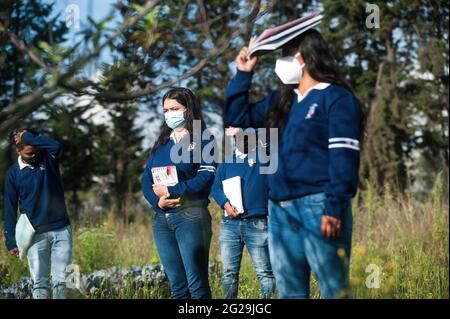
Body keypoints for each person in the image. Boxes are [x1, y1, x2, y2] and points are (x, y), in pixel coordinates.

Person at [225, 29, 364, 299]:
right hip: (279, 210)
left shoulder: (336, 98)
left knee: (334, 291)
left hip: (319, 206)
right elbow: (237, 118)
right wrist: (243, 74)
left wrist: (334, 206)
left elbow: (343, 157)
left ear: (305, 57)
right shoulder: (282, 101)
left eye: (286, 54)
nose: (282, 62)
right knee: (290, 294)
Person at [141, 87, 216, 299]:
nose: (169, 114)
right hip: (161, 221)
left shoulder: (204, 139)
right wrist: (157, 202)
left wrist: (173, 190)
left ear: (188, 109)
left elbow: (206, 176)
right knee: (178, 288)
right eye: (166, 110)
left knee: (197, 285)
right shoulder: (162, 144)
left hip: (191, 217)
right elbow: (146, 177)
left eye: (175, 108)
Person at [3, 128, 72, 299]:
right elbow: (10, 207)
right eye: (29, 153)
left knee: (62, 281)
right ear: (18, 150)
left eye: (35, 151)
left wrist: (28, 136)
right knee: (39, 283)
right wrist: (10, 240)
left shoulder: (49, 159)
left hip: (62, 229)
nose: (34, 156)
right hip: (34, 234)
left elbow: (56, 145)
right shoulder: (13, 173)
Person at [211, 127, 275, 299]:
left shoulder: (263, 158)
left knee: (265, 272)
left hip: (257, 223)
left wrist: (242, 129)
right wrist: (225, 204)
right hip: (230, 225)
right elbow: (215, 188)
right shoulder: (226, 163)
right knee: (229, 273)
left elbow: (273, 144)